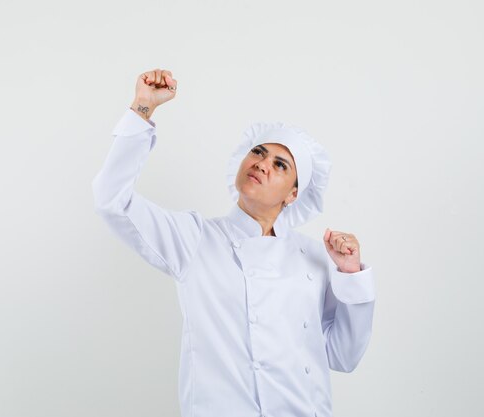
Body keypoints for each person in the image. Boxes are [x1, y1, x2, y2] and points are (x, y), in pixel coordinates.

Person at [92, 68, 375, 417]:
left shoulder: (314, 257)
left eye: (280, 164)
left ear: (293, 194)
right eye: (257, 152)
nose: (262, 164)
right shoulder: (195, 239)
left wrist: (350, 274)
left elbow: (343, 356)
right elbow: (111, 200)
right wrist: (142, 108)